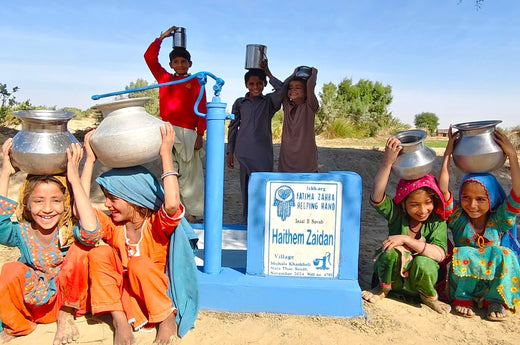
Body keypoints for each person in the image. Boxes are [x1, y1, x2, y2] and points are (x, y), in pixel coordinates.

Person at [80, 124, 198, 345]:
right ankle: (120, 323)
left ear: (135, 198)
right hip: (123, 296)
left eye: (112, 199)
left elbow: (172, 204)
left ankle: (166, 319)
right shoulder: (113, 227)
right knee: (99, 255)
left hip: (153, 293)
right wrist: (89, 161)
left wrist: (165, 154)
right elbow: (81, 210)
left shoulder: (155, 227)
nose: (106, 204)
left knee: (138, 264)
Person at [0, 140, 97, 345]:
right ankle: (19, 325)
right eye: (38, 201)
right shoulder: (22, 231)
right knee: (10, 269)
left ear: (65, 203)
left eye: (56, 200)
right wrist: (6, 172)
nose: (47, 209)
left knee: (81, 252)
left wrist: (74, 178)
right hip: (34, 305)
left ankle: (65, 317)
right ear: (26, 203)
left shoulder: (70, 230)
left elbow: (91, 232)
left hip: (68, 304)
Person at [362, 136, 451, 314]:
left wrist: (405, 239)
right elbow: (377, 197)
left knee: (425, 263)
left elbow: (439, 255)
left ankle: (428, 297)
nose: (423, 210)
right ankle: (382, 289)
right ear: (403, 204)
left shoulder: (437, 221)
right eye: (414, 205)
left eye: (428, 203)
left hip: (419, 283)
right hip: (394, 282)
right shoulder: (397, 216)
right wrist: (387, 163)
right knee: (388, 253)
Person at [438, 127, 520, 321]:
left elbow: (517, 193)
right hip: (464, 286)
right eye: (466, 197)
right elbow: (443, 189)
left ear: (491, 199)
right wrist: (448, 154)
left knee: (503, 254)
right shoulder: (458, 219)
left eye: (480, 199)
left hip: (492, 284)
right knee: (464, 252)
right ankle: (463, 300)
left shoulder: (499, 220)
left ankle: (496, 301)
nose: (472, 205)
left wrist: (512, 156)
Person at [144, 25, 207, 223]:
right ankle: (173, 210)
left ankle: (192, 213)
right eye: (176, 62)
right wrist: (161, 37)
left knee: (191, 175)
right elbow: (149, 58)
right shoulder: (164, 79)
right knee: (170, 170)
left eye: (183, 62)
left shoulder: (197, 81)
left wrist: (200, 135)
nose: (180, 65)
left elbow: (203, 109)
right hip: (168, 131)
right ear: (171, 64)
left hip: (189, 133)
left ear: (190, 64)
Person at [226, 61, 284, 224]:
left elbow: (282, 90)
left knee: (263, 187)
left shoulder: (269, 103)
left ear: (265, 85)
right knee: (246, 189)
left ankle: (263, 220)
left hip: (262, 154)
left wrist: (268, 72)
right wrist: (230, 151)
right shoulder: (239, 103)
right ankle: (247, 221)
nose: (255, 87)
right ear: (246, 85)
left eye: (259, 83)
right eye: (251, 84)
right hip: (243, 153)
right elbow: (233, 127)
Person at [278, 67, 319, 173]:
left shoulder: (310, 106)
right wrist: (293, 74)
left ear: (306, 92)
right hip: (287, 158)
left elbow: (310, 86)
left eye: (298, 88)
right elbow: (281, 87)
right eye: (291, 88)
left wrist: (314, 73)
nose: (293, 90)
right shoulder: (287, 106)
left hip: (305, 160)